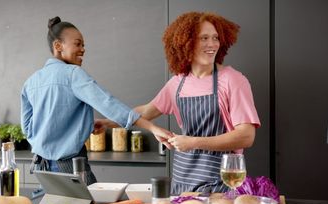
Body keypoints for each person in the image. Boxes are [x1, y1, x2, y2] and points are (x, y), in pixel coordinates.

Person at [98, 12, 260, 194]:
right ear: (187, 43)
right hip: (182, 178)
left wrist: (193, 142)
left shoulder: (234, 81)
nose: (212, 44)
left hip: (220, 180)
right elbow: (146, 112)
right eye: (204, 38)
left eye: (215, 38)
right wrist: (108, 123)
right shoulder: (178, 83)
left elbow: (246, 136)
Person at [20, 16, 173, 185]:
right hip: (71, 166)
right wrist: (153, 128)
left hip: (42, 168)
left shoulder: (30, 82)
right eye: (77, 44)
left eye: (83, 45)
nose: (83, 49)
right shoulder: (73, 74)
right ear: (58, 46)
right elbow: (108, 104)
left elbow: (27, 129)